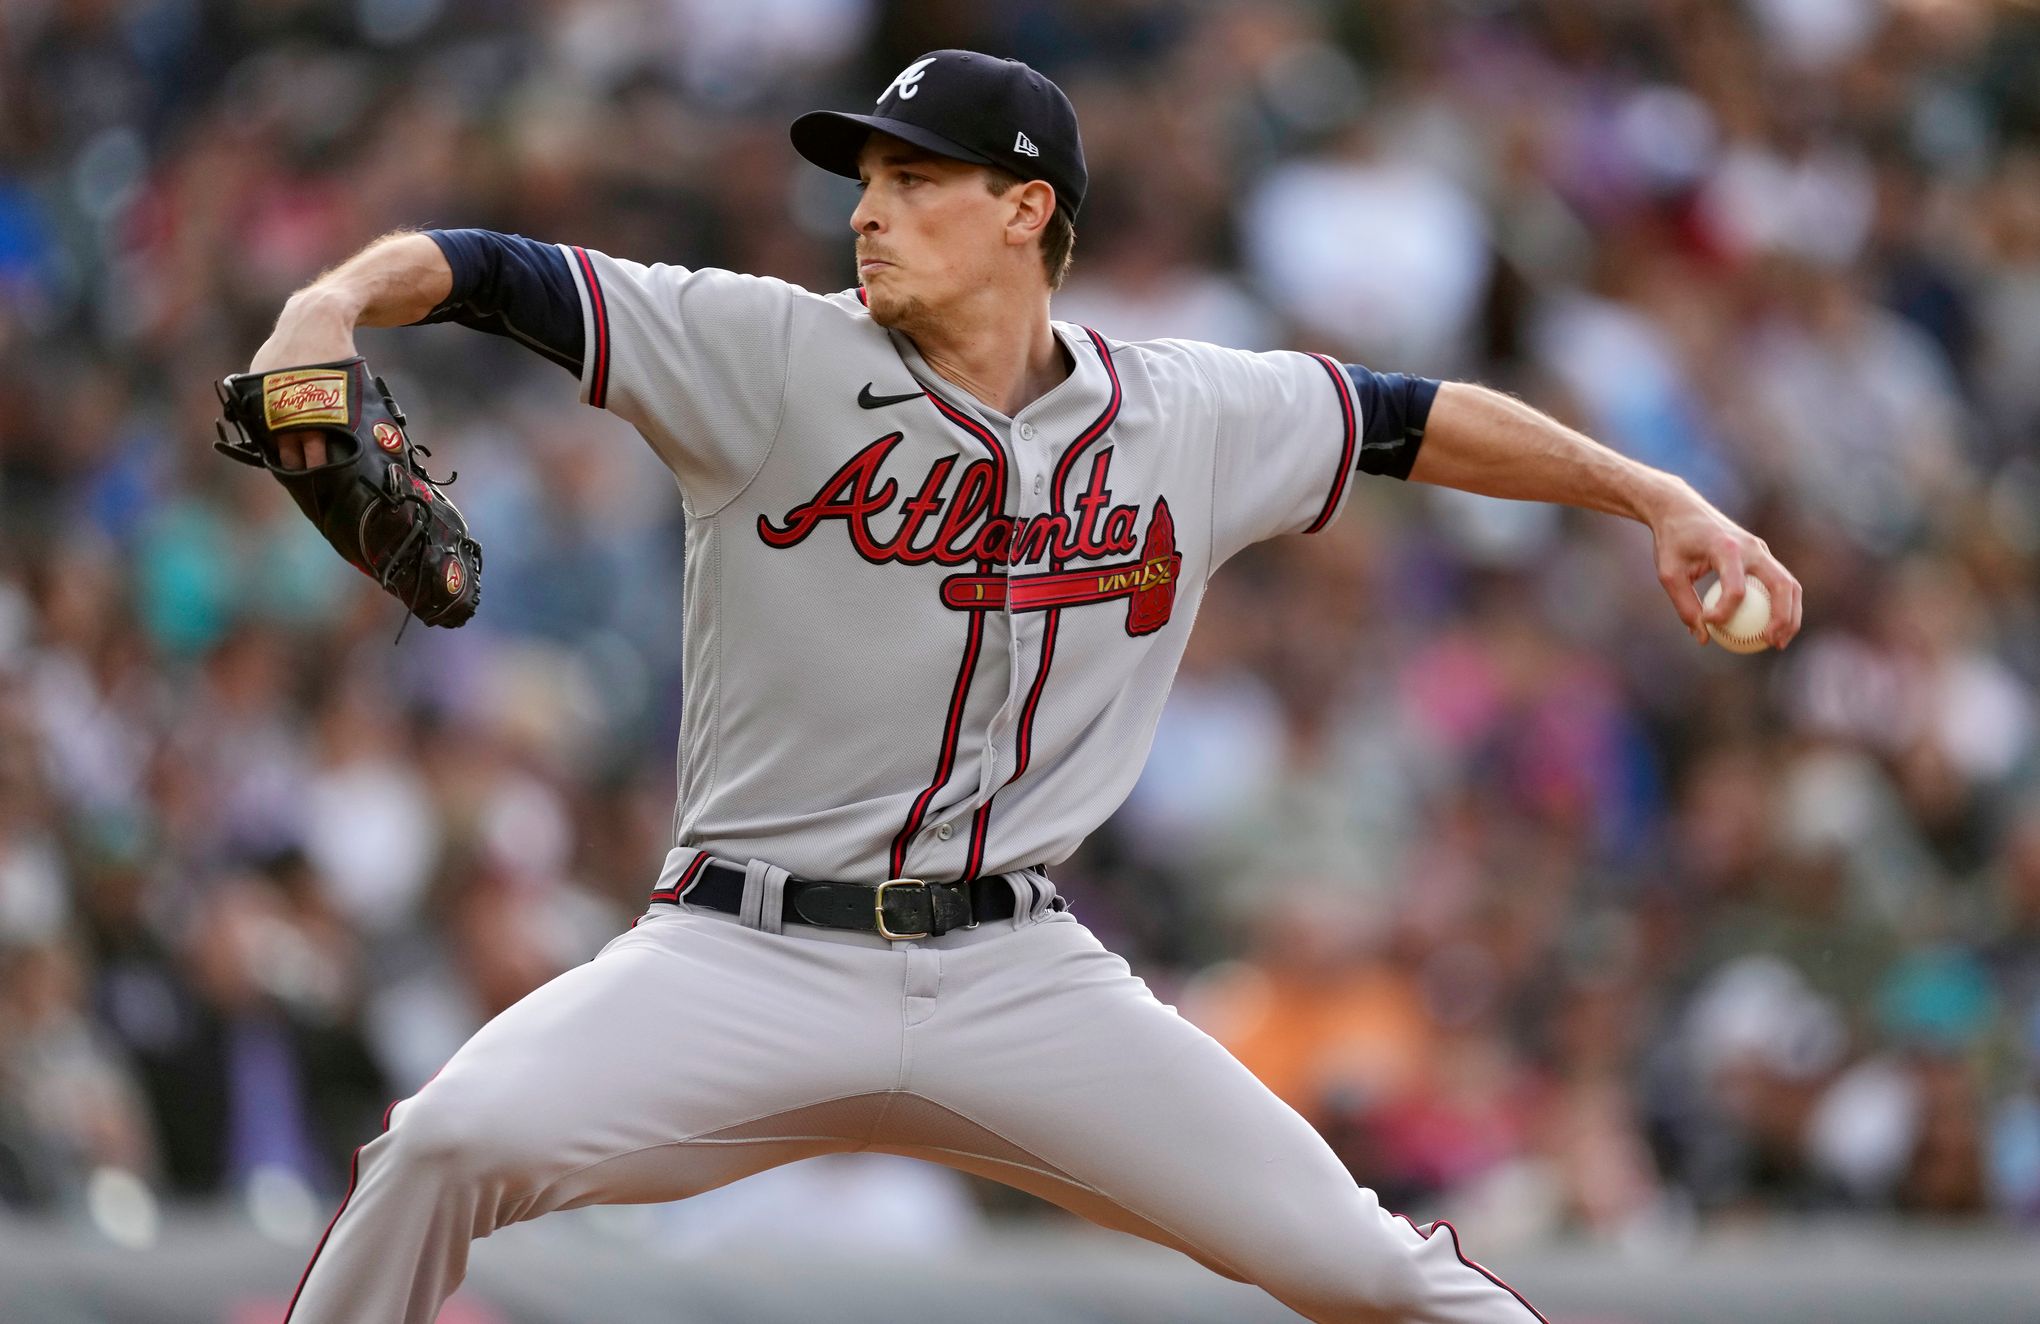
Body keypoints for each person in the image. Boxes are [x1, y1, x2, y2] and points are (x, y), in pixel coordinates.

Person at [256, 50, 1799, 1324]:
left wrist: (1654, 494)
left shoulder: (1189, 409)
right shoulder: (765, 352)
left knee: (1384, 1276)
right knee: (446, 1145)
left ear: (1026, 211)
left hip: (1022, 976)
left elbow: (1411, 420)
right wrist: (328, 307)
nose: (869, 214)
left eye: (915, 182)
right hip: (743, 956)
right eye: (863, 183)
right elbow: (489, 272)